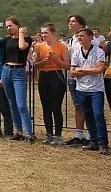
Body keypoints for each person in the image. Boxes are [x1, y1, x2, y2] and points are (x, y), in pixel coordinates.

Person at [0, 16, 34, 142]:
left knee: (21, 104)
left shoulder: (26, 39)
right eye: (7, 26)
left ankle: (29, 133)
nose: (9, 28)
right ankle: (18, 132)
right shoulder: (7, 40)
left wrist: (20, 33)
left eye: (11, 25)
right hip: (6, 70)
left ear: (17, 25)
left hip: (19, 71)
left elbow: (21, 47)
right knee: (12, 103)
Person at [70, 28, 108, 154]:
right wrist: (88, 69)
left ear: (90, 37)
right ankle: (94, 141)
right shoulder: (76, 52)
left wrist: (81, 70)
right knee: (88, 115)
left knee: (98, 115)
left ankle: (103, 143)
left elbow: (99, 70)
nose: (80, 38)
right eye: (78, 36)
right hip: (81, 89)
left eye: (82, 36)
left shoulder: (99, 52)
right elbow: (72, 73)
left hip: (96, 89)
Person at [33, 23, 70, 146]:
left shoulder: (62, 47)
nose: (43, 35)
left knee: (56, 106)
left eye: (46, 33)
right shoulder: (39, 46)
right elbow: (35, 65)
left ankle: (58, 135)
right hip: (44, 76)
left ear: (53, 33)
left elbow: (67, 65)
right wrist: (43, 62)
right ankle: (48, 134)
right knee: (46, 106)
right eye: (42, 33)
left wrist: (56, 60)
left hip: (57, 76)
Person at [64, 15, 91, 146]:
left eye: (73, 21)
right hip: (72, 77)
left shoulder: (88, 37)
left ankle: (91, 134)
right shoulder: (72, 39)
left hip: (86, 78)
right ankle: (79, 135)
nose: (70, 23)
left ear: (81, 24)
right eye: (69, 21)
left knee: (88, 107)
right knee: (78, 106)